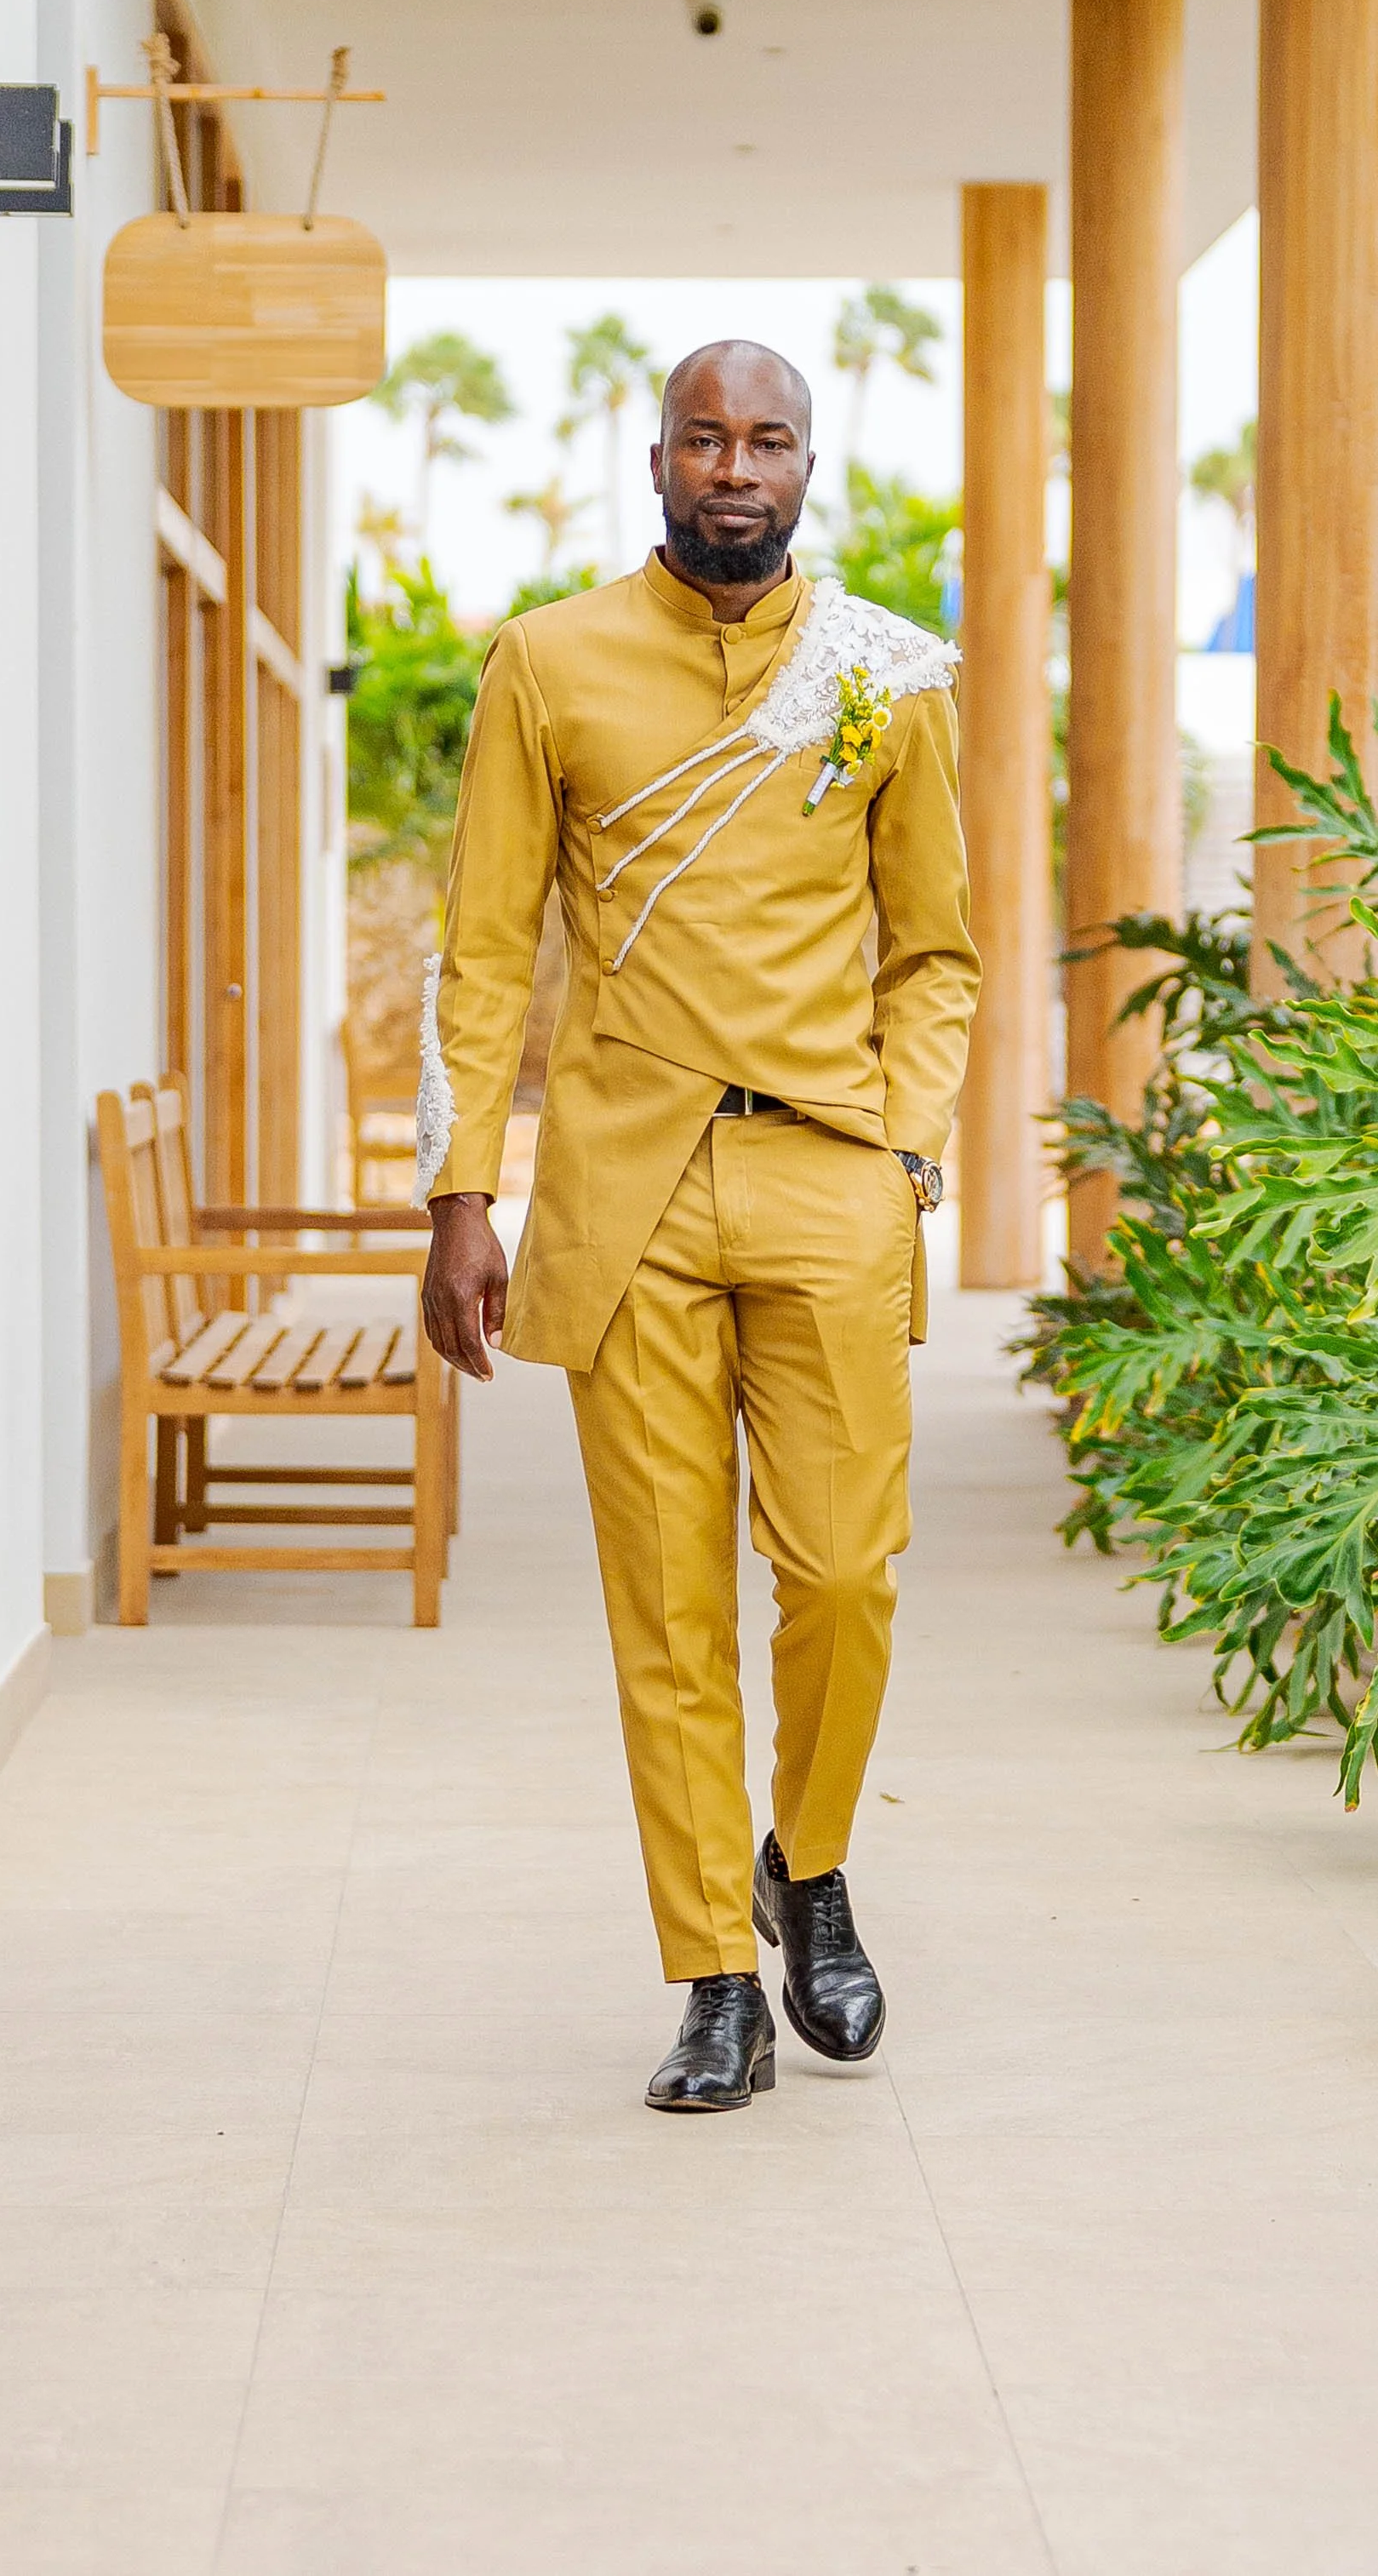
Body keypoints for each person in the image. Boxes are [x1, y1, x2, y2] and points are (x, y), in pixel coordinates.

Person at [418, 340, 979, 2112]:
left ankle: (804, 1861)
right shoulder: (547, 663)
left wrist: (901, 1141)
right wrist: (458, 1191)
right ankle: (710, 1977)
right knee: (663, 1610)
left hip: (828, 1172)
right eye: (702, 438)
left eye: (768, 441)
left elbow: (938, 950)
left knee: (837, 1574)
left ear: (810, 464)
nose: (734, 468)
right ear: (651, 458)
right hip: (623, 1190)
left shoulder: (883, 677)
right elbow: (483, 946)